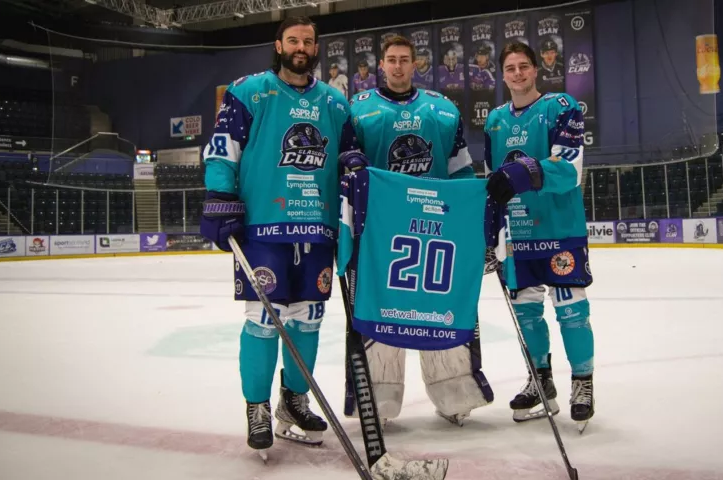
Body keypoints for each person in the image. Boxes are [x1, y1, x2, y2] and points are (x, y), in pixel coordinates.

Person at [200, 16, 367, 457]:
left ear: (316, 49)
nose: (300, 46)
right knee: (262, 319)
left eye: (308, 41)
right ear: (279, 44)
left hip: (317, 228)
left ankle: (293, 400)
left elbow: (350, 154)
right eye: (292, 39)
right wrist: (220, 194)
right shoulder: (249, 91)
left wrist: (354, 170)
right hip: (262, 230)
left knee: (309, 318)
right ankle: (256, 407)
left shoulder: (334, 102)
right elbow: (223, 149)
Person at [343, 34, 493, 427]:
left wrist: (475, 226)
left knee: (440, 306)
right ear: (381, 65)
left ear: (415, 64)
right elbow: (345, 170)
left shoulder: (442, 110)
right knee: (381, 311)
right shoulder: (357, 109)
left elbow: (461, 172)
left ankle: (455, 396)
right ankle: (378, 403)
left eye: (404, 59)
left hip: (436, 229)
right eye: (390, 59)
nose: (397, 66)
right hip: (378, 236)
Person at [483, 41, 595, 433]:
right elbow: (492, 182)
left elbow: (570, 167)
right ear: (502, 74)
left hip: (559, 229)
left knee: (571, 308)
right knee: (527, 311)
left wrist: (523, 173)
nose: (517, 73)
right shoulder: (495, 120)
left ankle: (582, 383)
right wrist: (488, 233)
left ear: (535, 71)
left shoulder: (560, 107)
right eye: (510, 67)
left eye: (524, 67)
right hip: (518, 234)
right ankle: (541, 379)